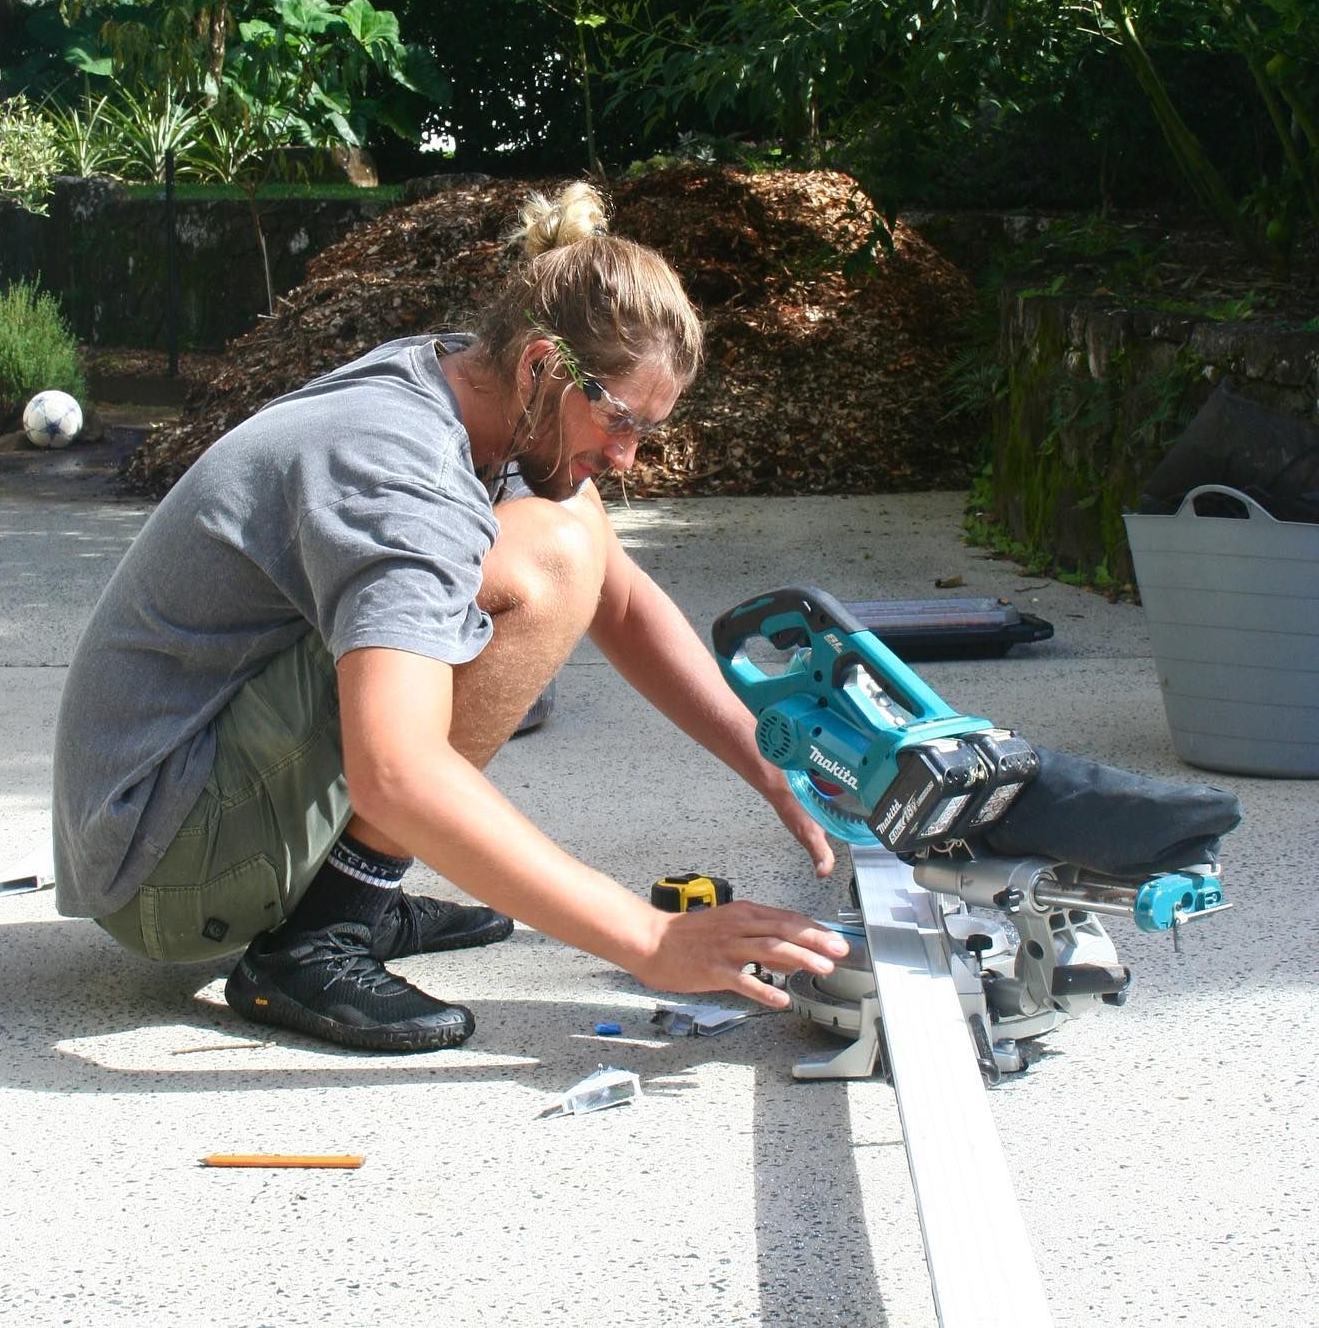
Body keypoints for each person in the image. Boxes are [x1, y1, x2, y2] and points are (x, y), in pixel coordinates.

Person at [51, 182, 848, 1053]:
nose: (626, 457)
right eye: (619, 420)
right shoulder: (400, 469)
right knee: (552, 555)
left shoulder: (476, 390)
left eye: (646, 432)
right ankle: (319, 938)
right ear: (544, 365)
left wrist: (773, 762)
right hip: (165, 863)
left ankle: (341, 894)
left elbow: (618, 596)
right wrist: (648, 937)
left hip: (177, 801)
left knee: (574, 526)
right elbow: (395, 769)